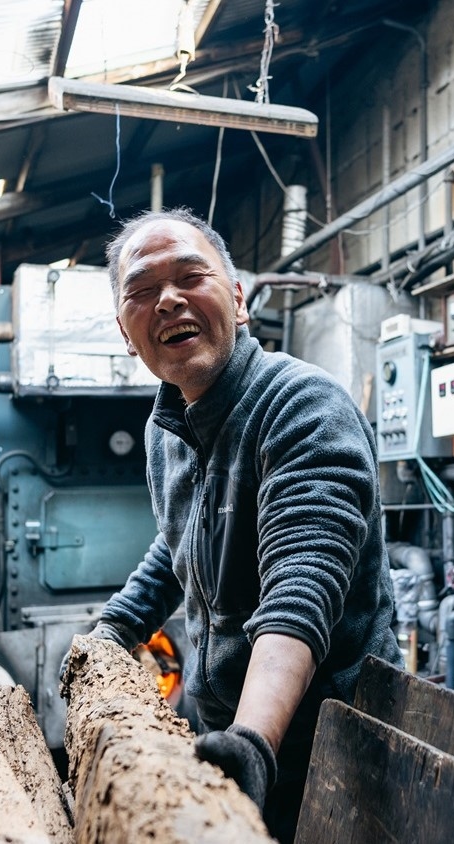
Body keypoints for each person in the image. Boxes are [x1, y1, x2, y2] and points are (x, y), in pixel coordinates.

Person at [64, 208, 401, 841]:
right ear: (124, 331)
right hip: (226, 728)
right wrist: (116, 626)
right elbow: (180, 541)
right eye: (141, 290)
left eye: (190, 276)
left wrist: (252, 743)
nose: (167, 299)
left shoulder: (302, 406)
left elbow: (299, 595)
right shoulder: (168, 429)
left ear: (238, 299)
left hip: (331, 745)